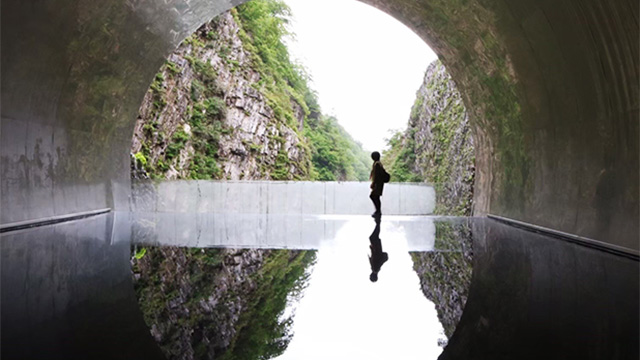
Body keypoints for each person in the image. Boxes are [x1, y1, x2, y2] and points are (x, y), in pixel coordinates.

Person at [369, 217, 388, 282]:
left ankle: (377, 222)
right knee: (373, 237)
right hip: (376, 248)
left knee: (374, 236)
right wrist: (372, 249)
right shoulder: (375, 269)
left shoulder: (376, 269)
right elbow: (374, 257)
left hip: (377, 249)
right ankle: (378, 221)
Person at [369, 151, 386, 218]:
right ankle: (378, 211)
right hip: (379, 183)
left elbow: (376, 175)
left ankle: (378, 211)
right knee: (376, 196)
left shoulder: (377, 164)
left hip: (378, 184)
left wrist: (373, 183)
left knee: (373, 196)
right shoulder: (378, 163)